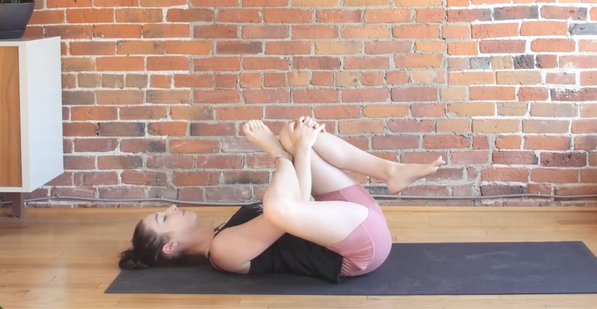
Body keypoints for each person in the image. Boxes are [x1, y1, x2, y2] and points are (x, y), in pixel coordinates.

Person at [118, 116, 445, 282]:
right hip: (359, 248)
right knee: (278, 202)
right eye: (164, 218)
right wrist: (280, 152)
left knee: (291, 131)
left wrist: (295, 143)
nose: (172, 208)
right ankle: (288, 147)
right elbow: (297, 205)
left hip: (351, 219)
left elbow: (299, 205)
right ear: (170, 246)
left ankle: (391, 171)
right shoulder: (222, 252)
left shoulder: (225, 230)